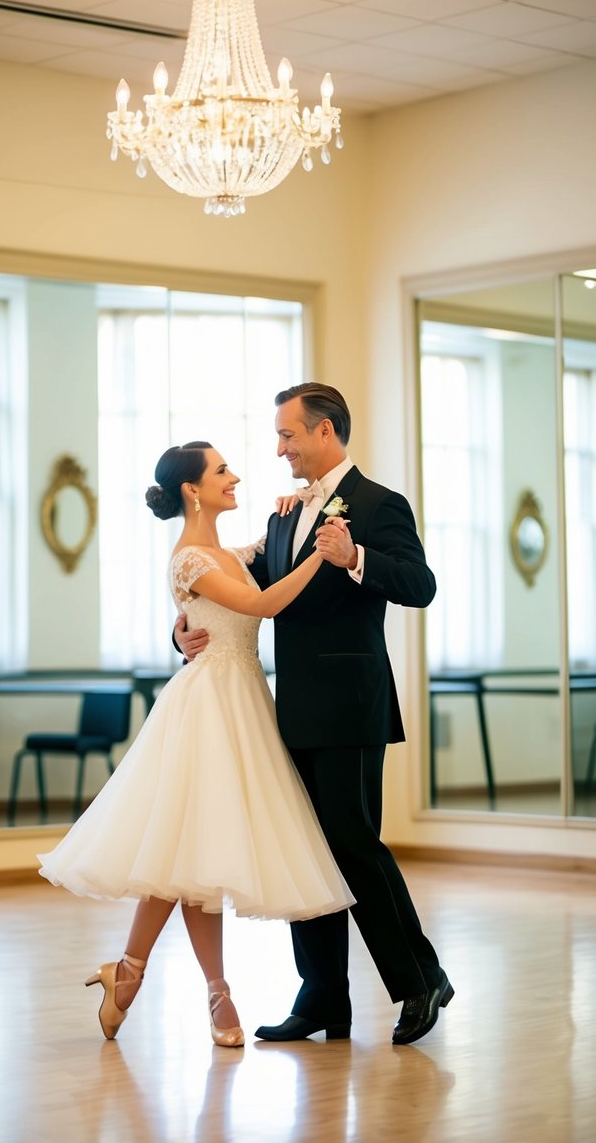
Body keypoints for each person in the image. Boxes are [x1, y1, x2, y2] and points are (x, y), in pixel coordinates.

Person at [38, 441, 354, 1049]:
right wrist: (322, 556)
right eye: (222, 471)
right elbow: (262, 603)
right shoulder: (189, 557)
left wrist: (293, 514)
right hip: (208, 707)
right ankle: (196, 988)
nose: (235, 477)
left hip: (242, 703)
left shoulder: (227, 554)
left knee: (193, 859)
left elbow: (259, 560)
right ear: (193, 489)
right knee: (187, 853)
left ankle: (135, 977)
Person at [175, 385, 453, 1046]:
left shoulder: (381, 505)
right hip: (289, 710)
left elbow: (420, 586)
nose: (278, 449)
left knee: (354, 846)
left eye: (287, 435)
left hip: (352, 705)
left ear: (323, 432)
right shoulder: (281, 517)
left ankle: (419, 982)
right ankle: (323, 997)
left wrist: (353, 556)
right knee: (307, 849)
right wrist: (183, 633)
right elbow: (233, 593)